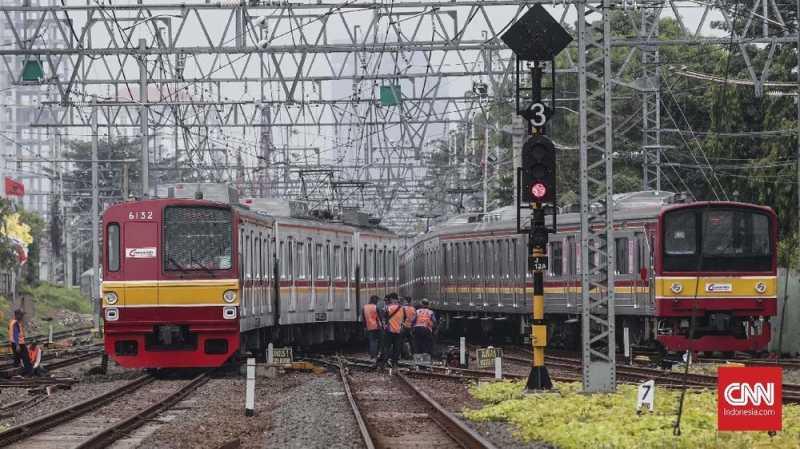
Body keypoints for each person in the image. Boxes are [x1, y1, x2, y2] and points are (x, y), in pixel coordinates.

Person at [379, 293, 405, 367]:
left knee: (386, 347)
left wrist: (384, 326)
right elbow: (405, 319)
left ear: (391, 299)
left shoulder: (387, 308)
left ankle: (384, 362)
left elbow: (383, 318)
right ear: (397, 299)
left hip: (389, 331)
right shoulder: (402, 308)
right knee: (397, 348)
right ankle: (395, 363)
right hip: (399, 331)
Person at [8, 310, 33, 376]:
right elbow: (15, 334)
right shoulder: (15, 323)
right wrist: (17, 345)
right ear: (16, 315)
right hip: (18, 344)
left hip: (15, 343)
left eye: (22, 315)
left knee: (17, 359)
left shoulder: (13, 322)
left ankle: (15, 373)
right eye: (21, 315)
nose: (22, 316)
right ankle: (29, 373)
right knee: (26, 358)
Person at [363, 295, 383, 360]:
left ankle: (372, 355)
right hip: (377, 326)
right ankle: (377, 354)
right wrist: (382, 325)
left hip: (369, 326)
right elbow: (379, 317)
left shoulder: (364, 307)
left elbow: (364, 318)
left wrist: (365, 327)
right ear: (375, 301)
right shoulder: (375, 307)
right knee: (379, 341)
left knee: (372, 341)